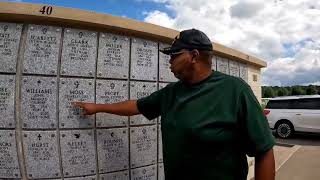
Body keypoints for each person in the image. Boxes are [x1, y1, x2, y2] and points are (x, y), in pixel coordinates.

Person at [73, 29, 275, 180]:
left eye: (175, 55)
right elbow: (136, 106)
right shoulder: (172, 93)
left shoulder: (235, 90)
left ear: (194, 56)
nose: (169, 61)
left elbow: (263, 150)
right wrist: (98, 107)